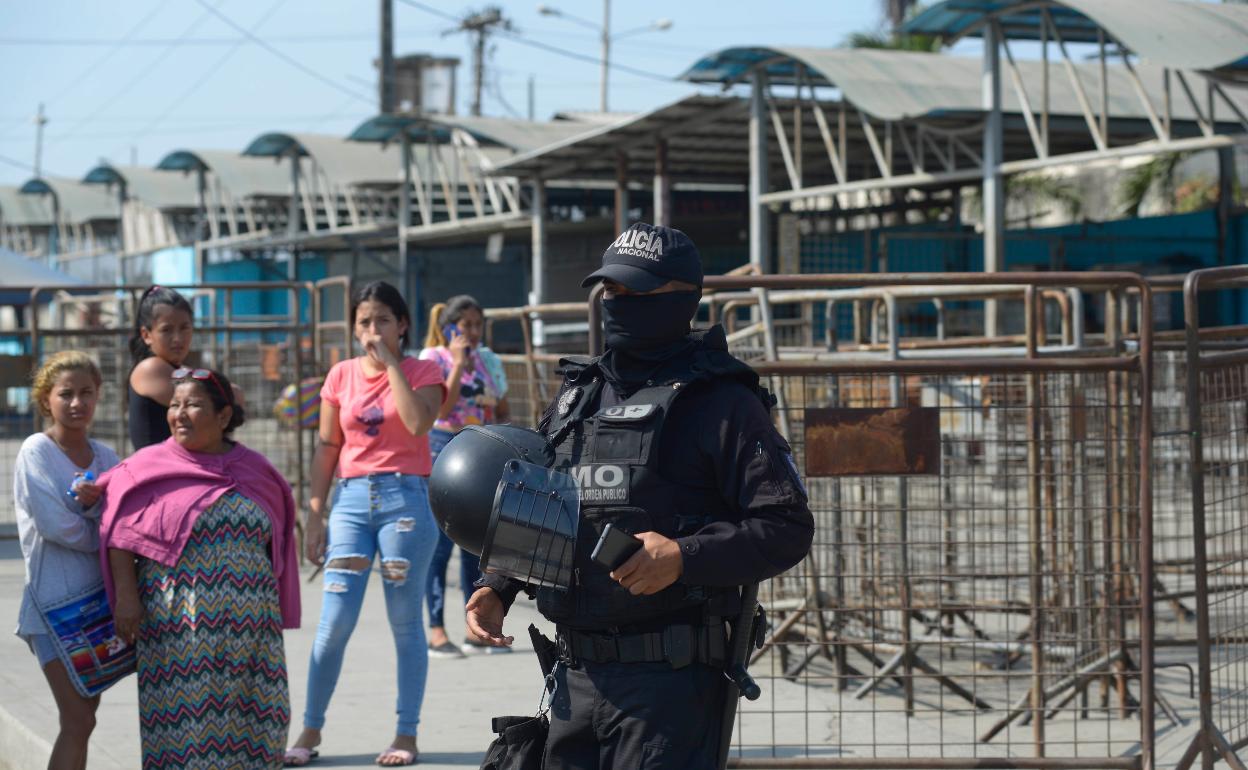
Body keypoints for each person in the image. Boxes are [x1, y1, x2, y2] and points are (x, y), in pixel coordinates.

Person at [465, 223, 814, 769]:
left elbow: (786, 525)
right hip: (572, 677)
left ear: (682, 299)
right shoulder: (579, 395)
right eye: (611, 291)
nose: (616, 302)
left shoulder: (721, 402)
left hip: (669, 688)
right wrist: (499, 585)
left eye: (635, 292)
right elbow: (548, 501)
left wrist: (682, 557)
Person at [100, 367, 300, 770]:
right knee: (187, 733)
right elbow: (117, 533)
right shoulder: (146, 467)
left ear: (224, 416)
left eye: (193, 404)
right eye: (175, 405)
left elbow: (276, 543)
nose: (179, 414)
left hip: (251, 633)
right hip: (179, 631)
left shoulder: (257, 470)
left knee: (257, 726)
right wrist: (126, 597)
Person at [286, 281, 446, 767]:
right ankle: (310, 729)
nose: (371, 330)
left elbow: (418, 424)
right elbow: (328, 446)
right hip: (351, 501)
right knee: (333, 623)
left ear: (401, 325)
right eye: (362, 322)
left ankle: (406, 734)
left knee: (405, 622)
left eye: (381, 320)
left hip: (407, 502)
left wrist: (392, 363)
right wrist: (314, 513)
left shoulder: (425, 370)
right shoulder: (339, 375)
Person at [15, 351, 120, 770]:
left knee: (84, 718)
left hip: (97, 608)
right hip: (53, 609)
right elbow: (59, 528)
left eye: (86, 393)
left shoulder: (107, 456)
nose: (77, 403)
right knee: (77, 719)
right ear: (45, 400)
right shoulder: (36, 451)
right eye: (66, 394)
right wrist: (102, 526)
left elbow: (126, 519)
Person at [419, 295, 511, 658]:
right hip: (443, 448)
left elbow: (500, 407)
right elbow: (441, 407)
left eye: (477, 324)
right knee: (440, 546)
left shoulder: (488, 360)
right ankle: (436, 628)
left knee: (477, 543)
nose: (473, 332)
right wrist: (457, 364)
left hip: (480, 450)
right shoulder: (434, 359)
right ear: (450, 327)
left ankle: (475, 627)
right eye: (466, 325)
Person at [127, 285, 194, 450]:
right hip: (156, 471)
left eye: (184, 328)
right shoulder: (151, 368)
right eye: (167, 330)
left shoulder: (178, 369)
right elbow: (215, 400)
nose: (177, 338)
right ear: (146, 335)